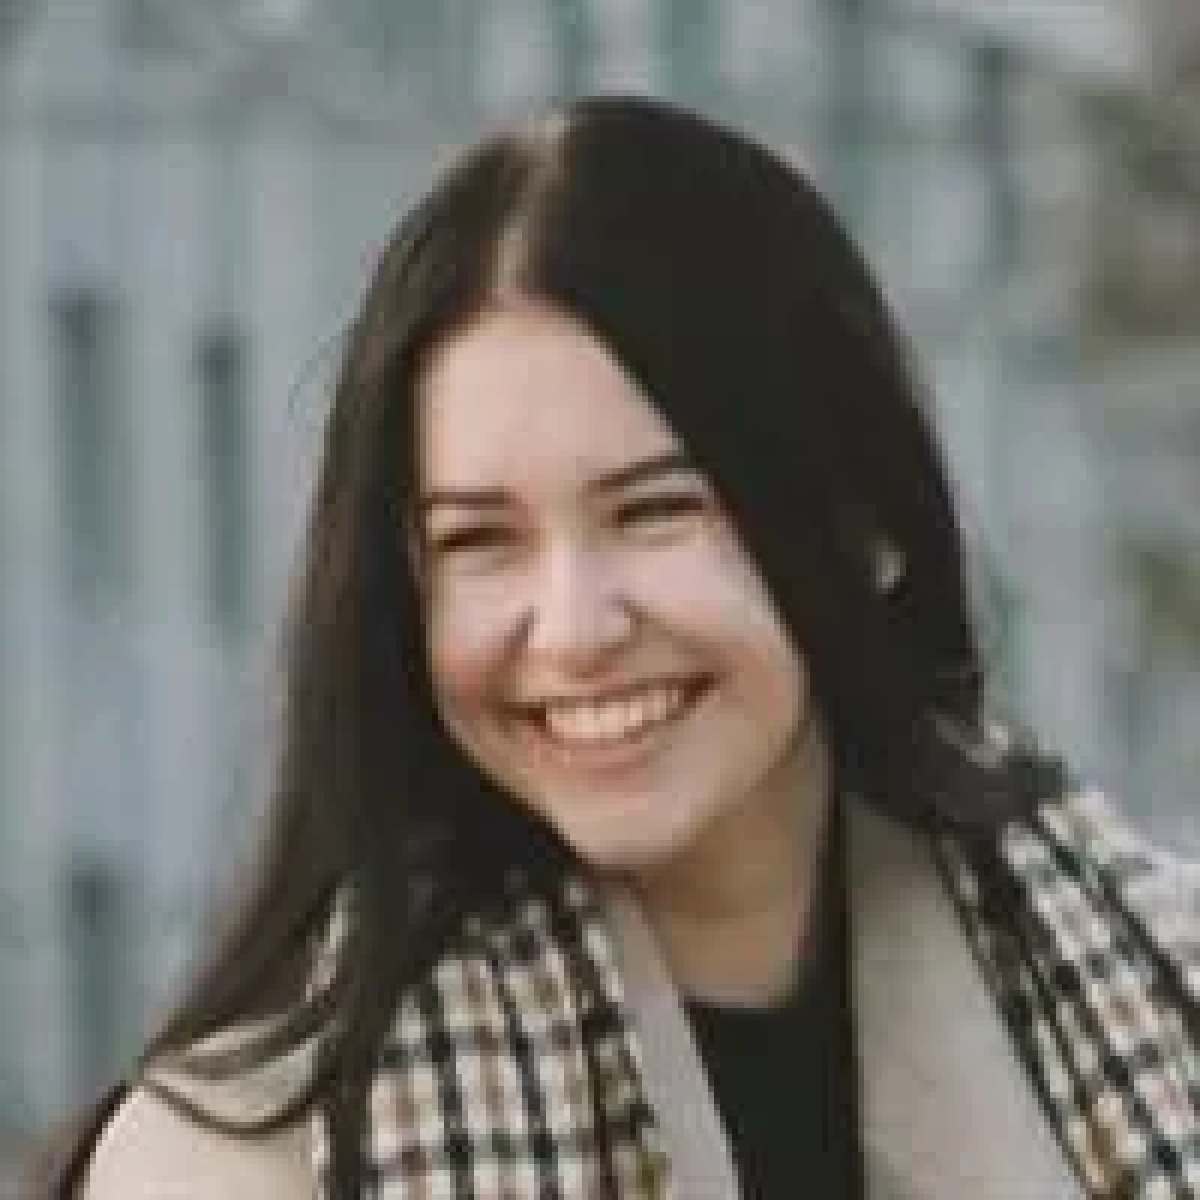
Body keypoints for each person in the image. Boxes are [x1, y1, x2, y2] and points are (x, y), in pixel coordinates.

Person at [35, 95, 1199, 1199]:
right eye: (480, 539)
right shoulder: (240, 1164)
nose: (574, 629)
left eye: (655, 511)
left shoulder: (1156, 999)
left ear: (864, 527)